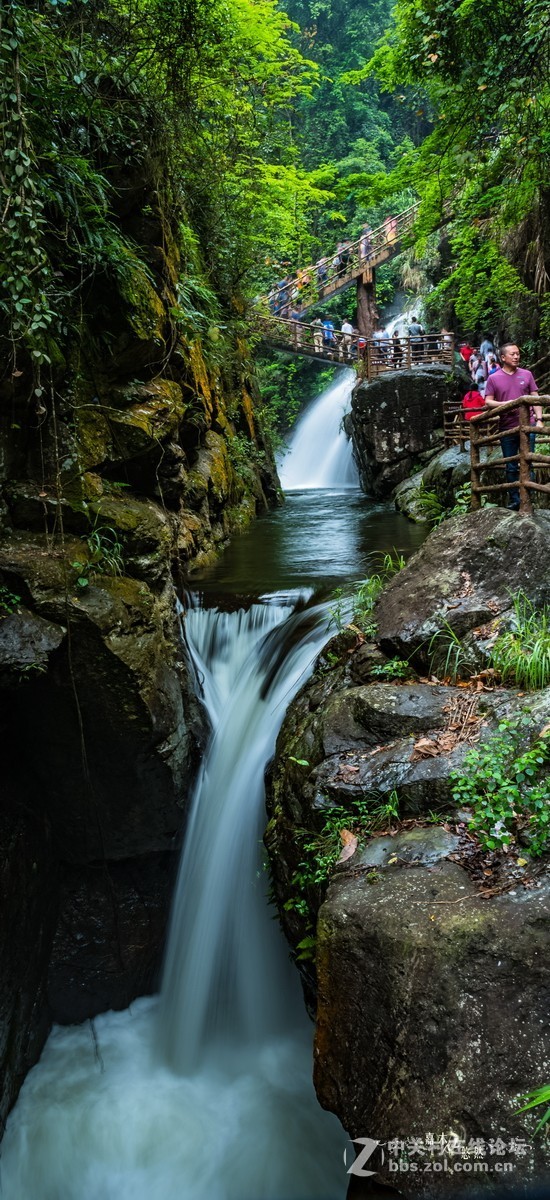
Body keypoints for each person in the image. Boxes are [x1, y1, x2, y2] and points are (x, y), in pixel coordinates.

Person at [484, 343, 542, 511]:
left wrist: (539, 419)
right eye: (513, 354)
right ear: (503, 358)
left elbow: (535, 397)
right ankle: (515, 499)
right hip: (507, 427)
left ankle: (527, 497)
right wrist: (506, 404)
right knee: (510, 466)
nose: (516, 356)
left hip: (528, 425)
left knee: (528, 462)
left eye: (518, 354)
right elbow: (488, 401)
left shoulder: (527, 374)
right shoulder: (494, 378)